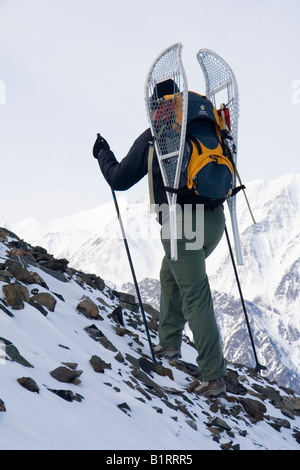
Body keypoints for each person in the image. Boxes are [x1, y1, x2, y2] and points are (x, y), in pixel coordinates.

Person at [92, 80, 227, 398]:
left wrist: (102, 153)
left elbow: (120, 178)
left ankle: (213, 376)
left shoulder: (159, 132)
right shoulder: (206, 126)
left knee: (195, 293)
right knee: (170, 274)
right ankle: (169, 343)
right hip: (214, 218)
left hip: (185, 223)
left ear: (155, 104)